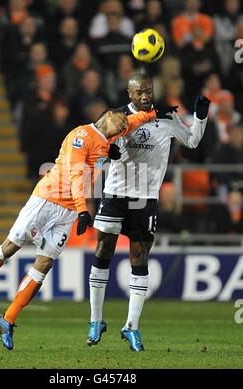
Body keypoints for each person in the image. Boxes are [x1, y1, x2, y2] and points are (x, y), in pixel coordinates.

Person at [0, 105, 174, 350]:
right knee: (10, 248)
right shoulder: (81, 136)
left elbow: (136, 120)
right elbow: (76, 175)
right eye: (119, 122)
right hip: (46, 199)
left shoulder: (112, 135)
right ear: (107, 115)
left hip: (67, 212)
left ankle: (7, 320)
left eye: (123, 125)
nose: (122, 126)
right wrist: (84, 209)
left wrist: (155, 112)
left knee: (44, 265)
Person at [87, 73, 211, 352]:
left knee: (140, 256)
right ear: (129, 94)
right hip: (116, 194)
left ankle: (131, 326)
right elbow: (95, 146)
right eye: (139, 92)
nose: (145, 96)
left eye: (149, 91)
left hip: (146, 197)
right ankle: (95, 320)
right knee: (103, 250)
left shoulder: (166, 118)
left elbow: (191, 141)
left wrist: (201, 117)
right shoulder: (116, 117)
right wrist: (109, 150)